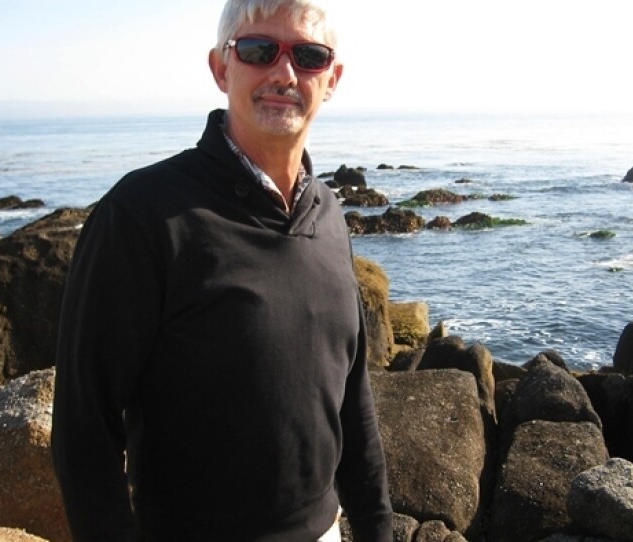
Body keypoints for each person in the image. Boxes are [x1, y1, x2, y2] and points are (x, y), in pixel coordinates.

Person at [50, 1, 393, 540]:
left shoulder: (328, 215)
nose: (284, 73)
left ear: (332, 80)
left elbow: (353, 399)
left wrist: (377, 529)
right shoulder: (144, 215)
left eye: (308, 56)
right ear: (220, 68)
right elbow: (83, 427)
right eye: (260, 50)